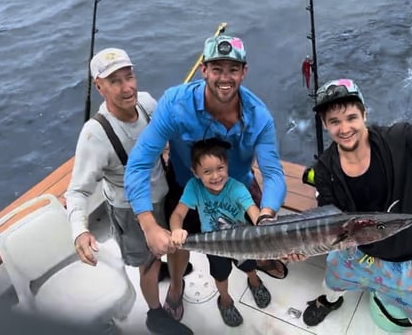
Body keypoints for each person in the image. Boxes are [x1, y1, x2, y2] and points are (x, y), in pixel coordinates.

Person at [124, 34, 288, 322]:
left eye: (233, 70)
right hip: (187, 187)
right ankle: (176, 286)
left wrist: (266, 214)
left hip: (238, 188)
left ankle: (257, 265)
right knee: (178, 244)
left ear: (244, 72)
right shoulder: (175, 104)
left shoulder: (259, 116)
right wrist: (148, 224)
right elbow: (138, 164)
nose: (225, 77)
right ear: (203, 70)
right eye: (217, 69)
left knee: (258, 237)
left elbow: (273, 173)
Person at [301, 78, 412, 335]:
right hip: (355, 250)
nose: (344, 128)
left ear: (364, 114)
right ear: (324, 124)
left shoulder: (399, 138)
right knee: (331, 279)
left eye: (351, 117)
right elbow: (327, 216)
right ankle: (329, 300)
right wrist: (300, 247)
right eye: (334, 121)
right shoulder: (323, 169)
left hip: (408, 260)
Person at [65, 48, 193, 335]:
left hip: (166, 190)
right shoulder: (94, 134)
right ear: (99, 87)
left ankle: (174, 283)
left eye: (129, 76)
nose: (128, 87)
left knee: (177, 244)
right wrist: (80, 231)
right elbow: (77, 191)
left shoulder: (146, 102)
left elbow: (172, 130)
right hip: (129, 209)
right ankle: (155, 313)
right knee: (147, 263)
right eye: (115, 82)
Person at [170, 138, 272, 327]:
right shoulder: (194, 187)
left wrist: (263, 225)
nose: (215, 176)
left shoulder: (237, 188)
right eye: (207, 171)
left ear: (227, 166)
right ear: (195, 172)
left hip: (242, 242)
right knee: (221, 275)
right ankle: (225, 300)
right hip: (214, 245)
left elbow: (253, 212)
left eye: (220, 168)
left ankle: (254, 280)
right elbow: (177, 213)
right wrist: (176, 229)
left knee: (250, 265)